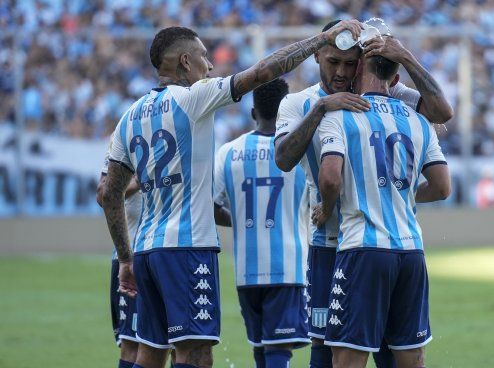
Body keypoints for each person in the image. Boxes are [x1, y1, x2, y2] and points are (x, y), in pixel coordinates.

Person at [101, 22, 363, 368]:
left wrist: (124, 257)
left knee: (150, 353)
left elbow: (107, 192)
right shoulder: (195, 97)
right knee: (195, 354)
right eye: (204, 57)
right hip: (186, 248)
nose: (209, 66)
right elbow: (264, 71)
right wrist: (322, 39)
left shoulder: (129, 117)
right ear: (185, 62)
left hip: (147, 249)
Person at [274, 19, 453, 368]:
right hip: (329, 246)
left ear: (362, 62)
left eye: (349, 63)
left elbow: (444, 112)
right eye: (333, 62)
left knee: (380, 349)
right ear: (317, 57)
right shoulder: (298, 103)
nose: (341, 71)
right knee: (325, 348)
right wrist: (322, 108)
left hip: (361, 244)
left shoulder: (394, 96)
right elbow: (283, 158)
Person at [213, 78, 310, 368]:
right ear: (286, 112)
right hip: (287, 267)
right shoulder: (301, 154)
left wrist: (242, 222)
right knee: (278, 350)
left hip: (246, 270)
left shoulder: (229, 152)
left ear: (254, 113)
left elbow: (212, 206)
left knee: (260, 348)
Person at [96, 138, 144, 368]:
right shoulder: (123, 134)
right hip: (131, 253)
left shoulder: (180, 123)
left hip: (168, 251)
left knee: (178, 343)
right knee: (132, 344)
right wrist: (138, 181)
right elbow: (103, 194)